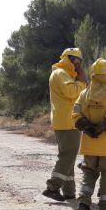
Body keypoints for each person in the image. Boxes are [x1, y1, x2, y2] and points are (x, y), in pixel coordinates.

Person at [72, 58, 106, 210]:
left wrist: (87, 127)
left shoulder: (84, 94)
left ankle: (83, 202)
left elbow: (75, 114)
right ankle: (105, 207)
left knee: (88, 173)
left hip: (89, 143)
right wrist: (102, 125)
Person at [43, 48, 87, 202]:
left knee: (68, 156)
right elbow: (71, 92)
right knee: (67, 156)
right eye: (75, 60)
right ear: (67, 59)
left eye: (80, 61)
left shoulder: (65, 74)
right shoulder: (60, 73)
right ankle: (53, 187)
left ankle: (69, 191)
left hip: (67, 120)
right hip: (67, 121)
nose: (78, 64)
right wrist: (82, 82)